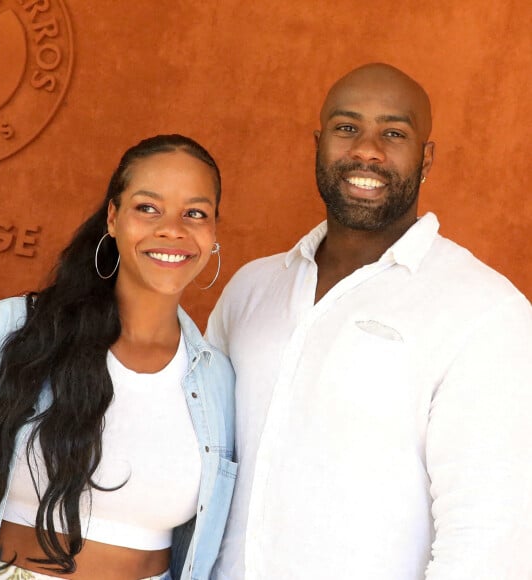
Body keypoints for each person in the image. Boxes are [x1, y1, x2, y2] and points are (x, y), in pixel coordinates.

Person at [206, 63, 532, 579]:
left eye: (394, 133)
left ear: (426, 159)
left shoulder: (487, 312)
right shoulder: (251, 289)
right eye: (347, 127)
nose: (367, 150)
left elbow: (490, 538)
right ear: (319, 142)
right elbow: (200, 461)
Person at [0, 134, 237, 580]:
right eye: (148, 207)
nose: (172, 229)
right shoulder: (14, 329)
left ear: (214, 230)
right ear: (113, 217)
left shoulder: (217, 380)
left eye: (195, 213)